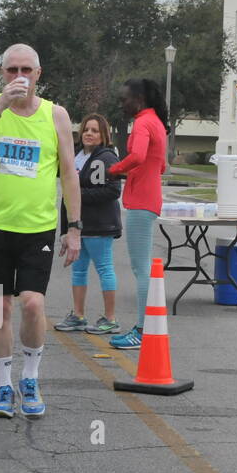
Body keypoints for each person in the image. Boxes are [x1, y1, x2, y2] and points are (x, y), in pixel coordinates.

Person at [0, 44, 81, 419]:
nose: (18, 77)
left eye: (26, 69)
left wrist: (73, 227)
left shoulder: (55, 114)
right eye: (11, 69)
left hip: (37, 229)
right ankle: (2, 387)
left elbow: (69, 172)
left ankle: (29, 378)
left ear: (38, 74)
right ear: (2, 72)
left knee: (33, 303)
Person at [107, 79, 169, 350]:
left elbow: (139, 156)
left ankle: (143, 330)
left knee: (140, 268)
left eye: (124, 99)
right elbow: (162, 165)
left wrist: (114, 169)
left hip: (141, 202)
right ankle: (144, 327)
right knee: (143, 266)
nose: (122, 104)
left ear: (139, 99)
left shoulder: (143, 122)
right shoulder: (155, 121)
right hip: (149, 199)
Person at [54, 113, 122, 335]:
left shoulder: (106, 158)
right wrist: (66, 229)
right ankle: (78, 315)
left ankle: (110, 319)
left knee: (104, 269)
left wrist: (77, 194)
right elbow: (66, 195)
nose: (89, 134)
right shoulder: (75, 156)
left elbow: (112, 190)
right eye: (86, 130)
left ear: (104, 135)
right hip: (79, 227)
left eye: (95, 130)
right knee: (79, 270)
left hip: (100, 226)